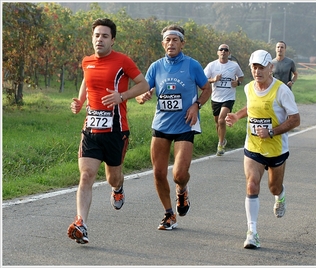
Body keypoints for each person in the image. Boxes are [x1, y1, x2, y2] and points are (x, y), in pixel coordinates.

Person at [67, 18, 150, 244]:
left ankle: (119, 187)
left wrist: (121, 96)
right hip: (91, 130)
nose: (99, 39)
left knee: (113, 178)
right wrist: (80, 101)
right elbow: (86, 81)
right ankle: (81, 223)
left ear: (112, 40)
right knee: (86, 175)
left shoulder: (123, 61)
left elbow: (143, 84)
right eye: (96, 35)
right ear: (92, 38)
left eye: (104, 36)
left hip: (116, 131)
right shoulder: (87, 61)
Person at [135, 25, 212, 230]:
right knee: (159, 173)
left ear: (182, 43)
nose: (171, 44)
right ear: (163, 44)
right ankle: (169, 214)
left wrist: (197, 105)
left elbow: (207, 88)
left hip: (185, 124)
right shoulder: (156, 66)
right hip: (161, 125)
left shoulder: (192, 65)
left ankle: (182, 190)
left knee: (178, 174)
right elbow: (142, 88)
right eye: (167, 40)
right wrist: (142, 95)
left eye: (175, 40)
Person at [225, 50, 300, 249]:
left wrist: (272, 132)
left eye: (261, 67)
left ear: (271, 68)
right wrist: (237, 116)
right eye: (254, 67)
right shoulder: (249, 88)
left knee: (273, 187)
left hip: (276, 148)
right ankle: (252, 232)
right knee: (252, 185)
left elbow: (295, 119)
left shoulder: (282, 90)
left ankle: (280, 196)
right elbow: (251, 107)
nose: (257, 71)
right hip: (253, 147)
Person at [204, 44, 244, 156]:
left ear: (229, 53)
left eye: (226, 50)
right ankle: (222, 139)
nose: (223, 51)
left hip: (229, 97)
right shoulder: (212, 65)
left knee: (222, 120)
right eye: (221, 50)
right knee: (217, 122)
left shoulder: (234, 65)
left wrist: (238, 82)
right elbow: (203, 80)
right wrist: (213, 79)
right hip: (216, 97)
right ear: (218, 53)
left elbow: (241, 77)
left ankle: (220, 145)